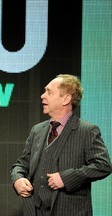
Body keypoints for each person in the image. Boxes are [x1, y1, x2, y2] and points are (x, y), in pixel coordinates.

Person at [10, 74, 112, 216]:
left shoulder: (87, 130)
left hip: (70, 211)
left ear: (66, 99)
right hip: (34, 211)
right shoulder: (37, 130)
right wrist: (18, 179)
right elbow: (21, 164)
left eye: (49, 92)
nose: (42, 96)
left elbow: (103, 165)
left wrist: (66, 178)